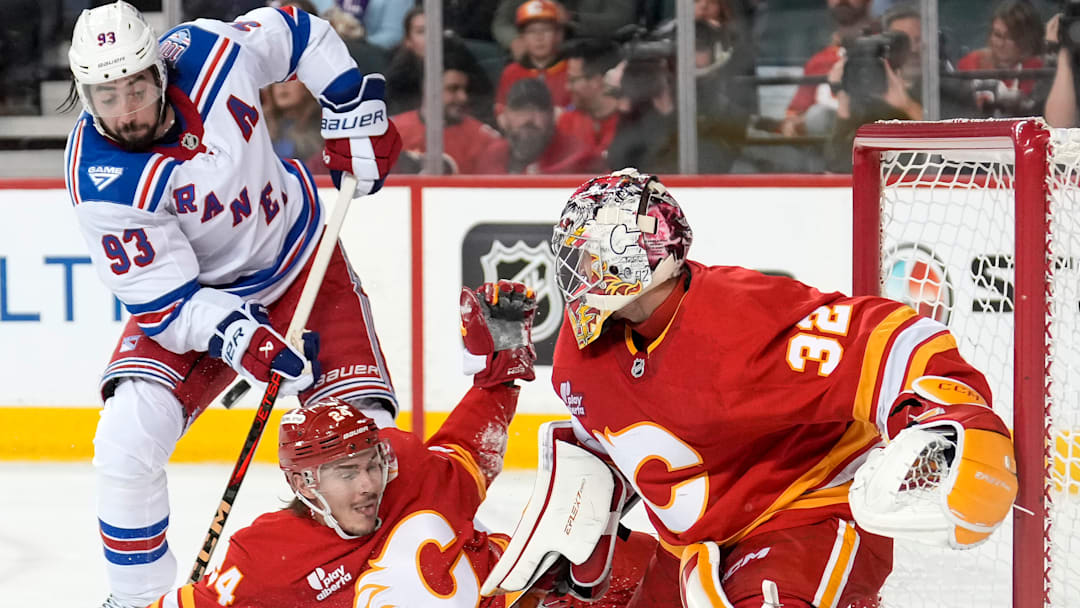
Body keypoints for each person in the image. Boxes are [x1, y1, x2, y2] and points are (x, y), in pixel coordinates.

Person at [484, 169, 1019, 607]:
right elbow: (606, 445)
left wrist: (945, 408)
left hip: (806, 512)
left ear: (640, 253)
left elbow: (889, 338)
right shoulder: (585, 359)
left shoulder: (737, 318)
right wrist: (575, 532)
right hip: (699, 547)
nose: (576, 275)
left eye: (588, 257)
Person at [63, 2, 402, 606]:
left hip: (301, 263)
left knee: (367, 442)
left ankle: (391, 581)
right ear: (86, 97)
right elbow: (167, 302)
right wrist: (241, 338)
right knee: (123, 442)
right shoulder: (102, 180)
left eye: (137, 87)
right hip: (204, 302)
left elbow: (300, 32)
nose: (128, 110)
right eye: (107, 97)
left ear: (159, 71)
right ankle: (138, 598)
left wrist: (351, 105)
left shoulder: (208, 54)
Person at [150, 281, 540, 606]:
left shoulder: (408, 470)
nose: (369, 483)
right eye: (347, 472)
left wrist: (500, 379)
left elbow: (469, 450)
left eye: (372, 464)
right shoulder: (265, 559)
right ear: (304, 484)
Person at [392, 43, 504, 174]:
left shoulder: (485, 141)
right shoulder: (393, 133)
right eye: (453, 88)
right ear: (428, 88)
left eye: (465, 89)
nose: (463, 97)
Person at [780, 0, 874, 138]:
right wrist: (793, 123)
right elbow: (794, 117)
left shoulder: (888, 55)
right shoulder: (819, 61)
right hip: (822, 152)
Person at [483, 77, 598, 174]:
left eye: (539, 109)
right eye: (520, 109)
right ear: (505, 115)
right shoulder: (493, 155)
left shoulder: (577, 156)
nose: (528, 119)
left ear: (552, 115)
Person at [955, 0, 1046, 118]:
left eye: (1010, 38)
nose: (1000, 44)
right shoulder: (970, 65)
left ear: (1025, 40)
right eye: (997, 35)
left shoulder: (1035, 70)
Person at [495, 0, 572, 116]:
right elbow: (500, 107)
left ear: (558, 35)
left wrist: (565, 115)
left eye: (546, 30)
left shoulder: (570, 70)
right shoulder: (511, 72)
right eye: (531, 31)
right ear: (522, 37)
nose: (539, 37)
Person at [558, 38, 623, 170]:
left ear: (596, 80)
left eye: (573, 80)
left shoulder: (629, 122)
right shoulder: (567, 121)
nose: (567, 87)